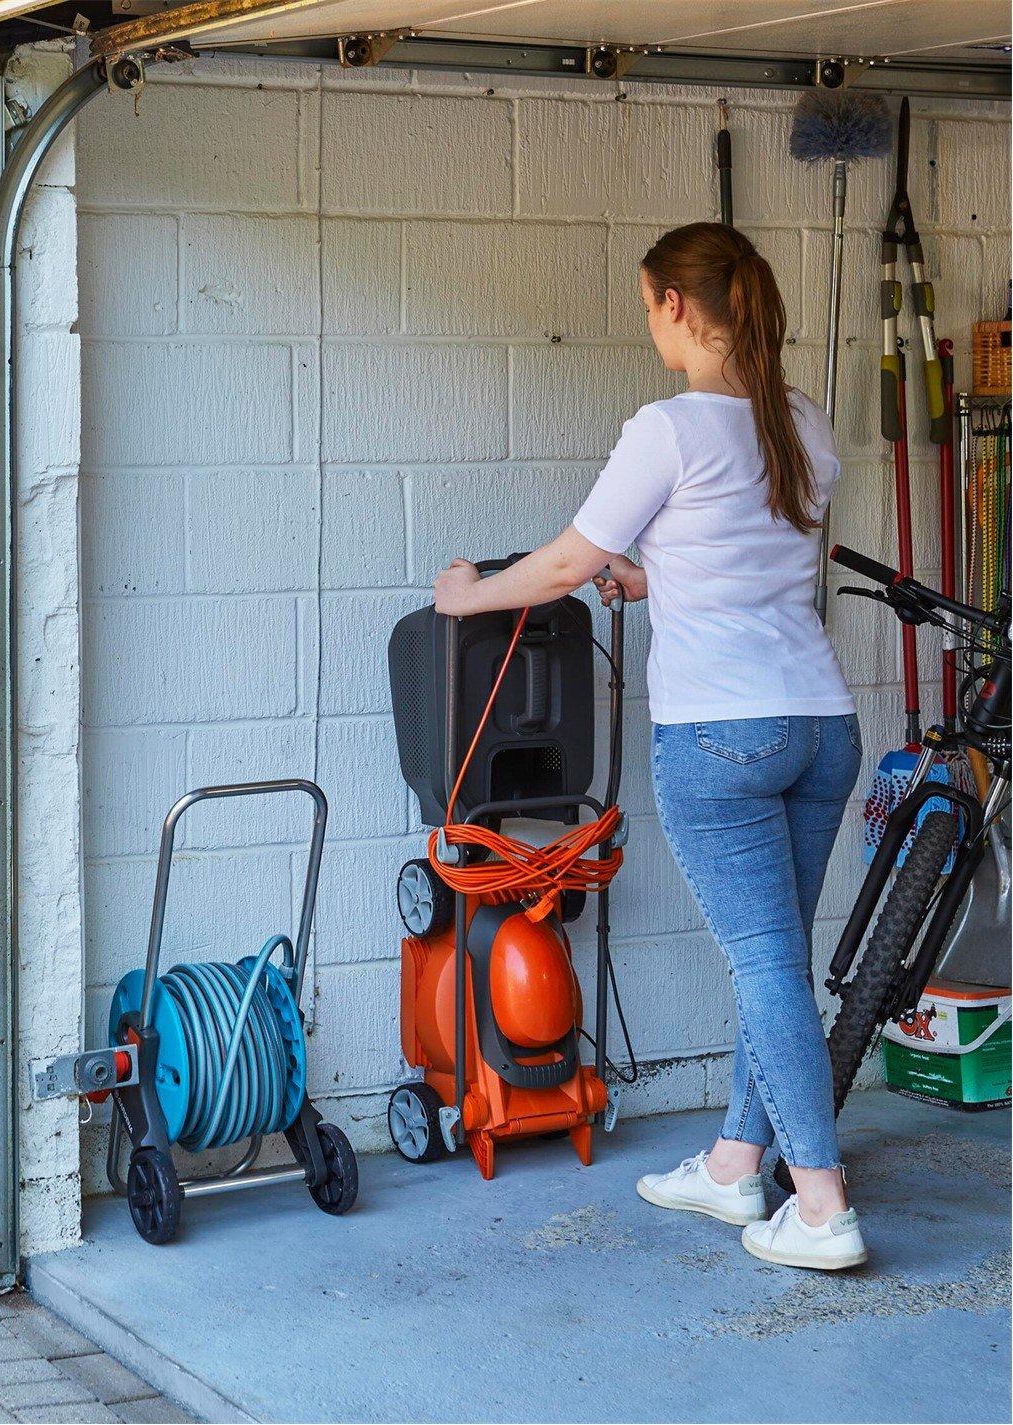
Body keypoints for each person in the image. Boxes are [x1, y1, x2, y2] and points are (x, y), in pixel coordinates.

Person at [433, 222, 866, 1272]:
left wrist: (470, 596)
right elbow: (745, 562)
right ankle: (733, 1165)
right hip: (820, 725)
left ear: (678, 306)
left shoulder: (668, 428)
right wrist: (651, 579)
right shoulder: (802, 425)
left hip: (721, 734)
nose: (648, 327)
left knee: (766, 969)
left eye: (646, 306)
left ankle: (819, 1208)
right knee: (778, 962)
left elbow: (570, 560)